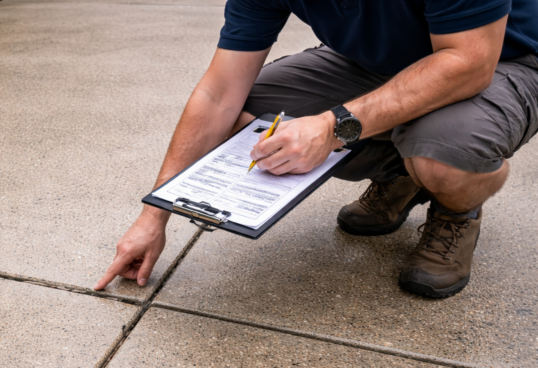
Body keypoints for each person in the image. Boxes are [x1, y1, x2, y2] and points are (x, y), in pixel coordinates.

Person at [95, 0, 538, 298]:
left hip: (504, 62)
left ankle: (456, 207)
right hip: (373, 63)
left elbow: (469, 62)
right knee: (250, 120)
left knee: (443, 156)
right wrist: (155, 214)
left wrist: (332, 127)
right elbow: (219, 93)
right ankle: (401, 174)